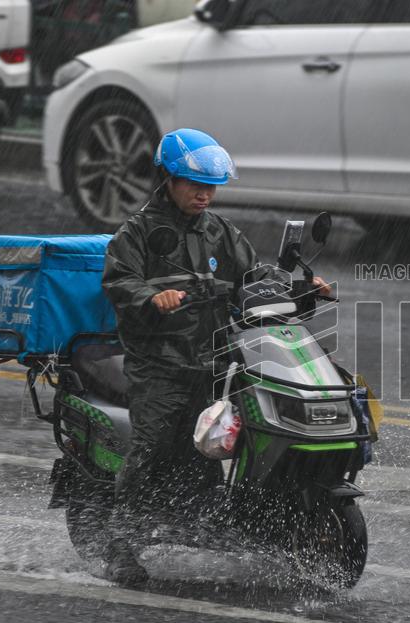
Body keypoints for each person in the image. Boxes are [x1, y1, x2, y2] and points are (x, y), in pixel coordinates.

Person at [101, 128, 328, 584]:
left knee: (217, 444)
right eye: (194, 184)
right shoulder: (138, 232)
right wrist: (152, 296)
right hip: (159, 363)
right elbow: (119, 281)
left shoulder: (220, 231)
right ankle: (119, 543)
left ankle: (209, 520)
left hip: (214, 362)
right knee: (151, 447)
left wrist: (302, 288)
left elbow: (254, 277)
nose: (204, 194)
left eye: (211, 186)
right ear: (167, 179)